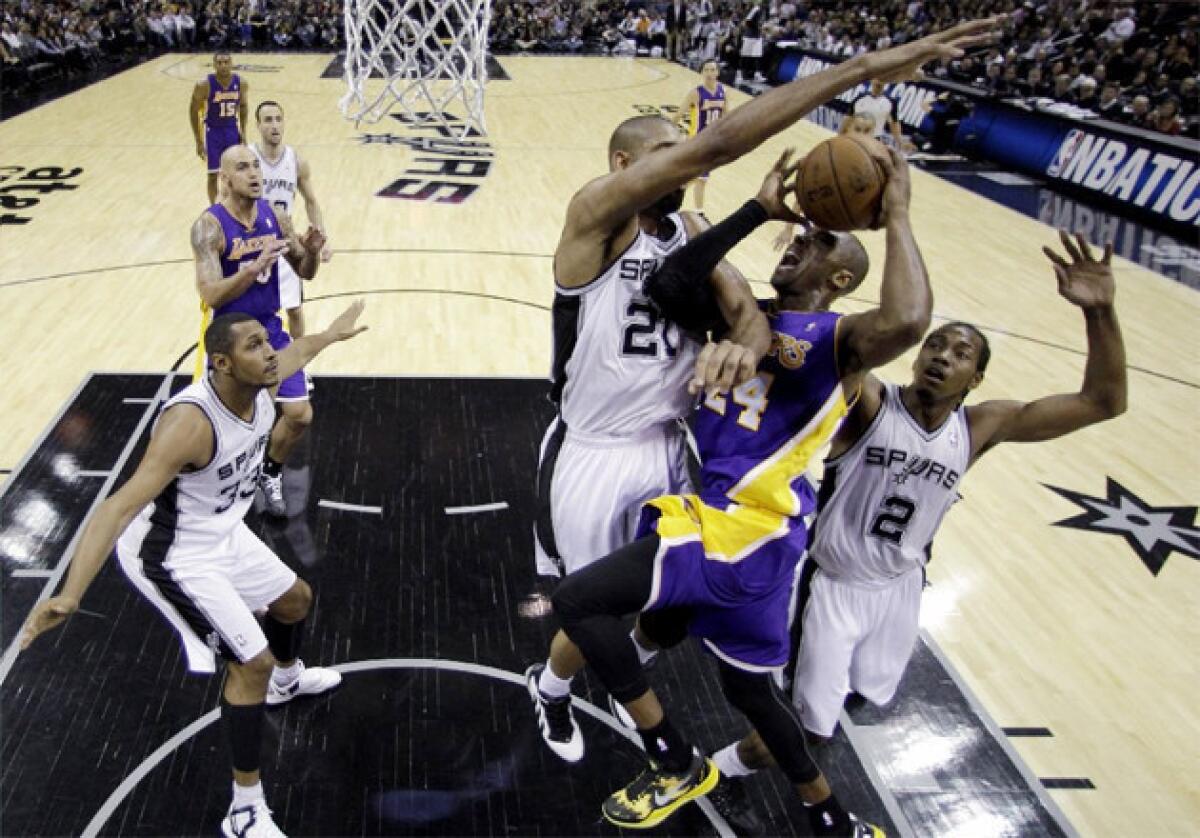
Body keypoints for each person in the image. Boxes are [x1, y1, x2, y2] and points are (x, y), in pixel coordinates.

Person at [528, 143, 932, 836]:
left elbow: (906, 321)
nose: (795, 246)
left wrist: (894, 213)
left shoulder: (838, 340)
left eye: (813, 245)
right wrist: (750, 212)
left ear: (838, 277)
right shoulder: (741, 313)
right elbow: (677, 272)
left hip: (737, 526)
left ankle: (673, 759)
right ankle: (832, 818)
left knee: (579, 601)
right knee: (750, 691)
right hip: (763, 541)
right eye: (796, 237)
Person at [532, 15, 1003, 593]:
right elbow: (721, 144)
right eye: (667, 152)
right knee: (586, 607)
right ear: (624, 166)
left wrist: (746, 347)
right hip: (596, 447)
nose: (686, 160)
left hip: (672, 444)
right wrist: (862, 68)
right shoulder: (592, 218)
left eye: (682, 150)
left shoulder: (691, 227)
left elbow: (747, 315)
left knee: (658, 604)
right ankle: (558, 684)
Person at [710, 232, 1126, 815]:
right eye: (935, 345)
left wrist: (1101, 313)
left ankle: (768, 747)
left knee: (851, 703)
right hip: (830, 585)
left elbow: (1104, 401)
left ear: (975, 379)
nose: (941, 357)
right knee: (815, 728)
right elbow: (835, 357)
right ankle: (722, 774)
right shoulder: (871, 401)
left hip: (901, 588)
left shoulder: (981, 428)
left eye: (959, 354)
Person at [19, 301, 369, 838]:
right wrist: (70, 593)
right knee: (248, 664)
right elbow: (116, 506)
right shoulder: (190, 423)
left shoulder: (261, 381)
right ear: (222, 364)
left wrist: (328, 336)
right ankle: (244, 808)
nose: (270, 352)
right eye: (254, 345)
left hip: (222, 531)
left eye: (265, 340)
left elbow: (293, 352)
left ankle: (287, 680)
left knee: (295, 600)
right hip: (172, 553)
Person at [191, 146, 327, 518]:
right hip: (231, 337)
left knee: (299, 414)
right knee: (235, 429)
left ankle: (270, 470)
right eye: (242, 167)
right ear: (225, 179)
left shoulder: (276, 216)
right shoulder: (210, 226)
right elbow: (209, 293)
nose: (254, 173)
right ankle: (217, 491)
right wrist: (252, 269)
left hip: (269, 330)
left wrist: (312, 252)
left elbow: (305, 270)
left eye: (255, 166)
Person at [249, 100, 332, 514]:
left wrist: (320, 240)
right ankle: (246, 467)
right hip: (253, 273)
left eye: (280, 118)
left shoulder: (295, 162)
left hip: (287, 248)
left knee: (295, 312)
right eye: (268, 120)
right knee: (254, 401)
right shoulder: (245, 165)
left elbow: (312, 202)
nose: (275, 126)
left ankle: (299, 366)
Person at [191, 51, 249, 204]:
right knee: (212, 175)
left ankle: (235, 205)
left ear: (231, 63)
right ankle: (214, 208)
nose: (223, 65)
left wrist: (243, 131)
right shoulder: (204, 84)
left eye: (226, 62)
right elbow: (193, 111)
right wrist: (198, 140)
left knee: (236, 172)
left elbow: (243, 107)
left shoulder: (241, 83)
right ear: (214, 65)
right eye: (219, 62)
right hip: (213, 132)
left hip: (232, 130)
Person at [673, 59, 727, 212]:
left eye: (712, 70)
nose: (710, 73)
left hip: (712, 142)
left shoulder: (723, 91)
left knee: (698, 179)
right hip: (697, 141)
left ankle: (677, 200)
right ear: (702, 72)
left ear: (717, 72)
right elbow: (679, 114)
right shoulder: (696, 93)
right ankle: (695, 210)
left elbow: (726, 117)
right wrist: (670, 132)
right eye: (706, 70)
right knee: (699, 178)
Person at [853, 78, 904, 147]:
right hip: (855, 137)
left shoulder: (891, 102)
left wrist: (900, 142)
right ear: (872, 80)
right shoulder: (860, 97)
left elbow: (894, 123)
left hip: (874, 139)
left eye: (882, 79)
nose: (879, 81)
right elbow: (848, 119)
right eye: (877, 78)